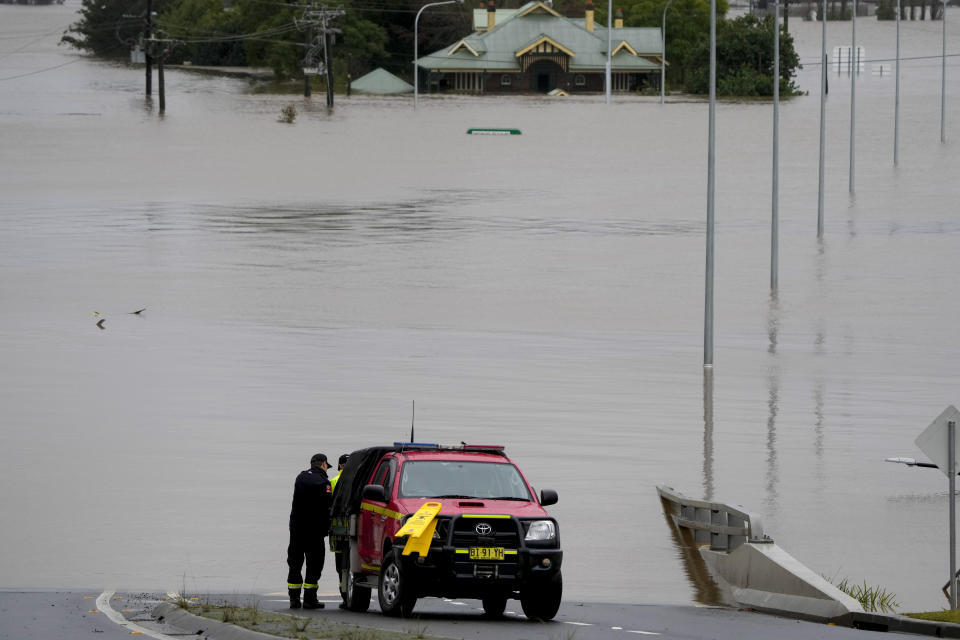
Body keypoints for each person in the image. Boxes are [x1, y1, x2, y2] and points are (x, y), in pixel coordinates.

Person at [287, 453, 332, 610]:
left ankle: (294, 599)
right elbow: (327, 508)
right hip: (314, 532)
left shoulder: (300, 477)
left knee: (295, 563)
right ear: (324, 464)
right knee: (314, 564)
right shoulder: (324, 482)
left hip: (297, 529)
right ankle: (309, 599)